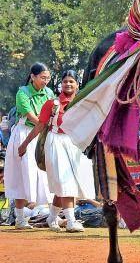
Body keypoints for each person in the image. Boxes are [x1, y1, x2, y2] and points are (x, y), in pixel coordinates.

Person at [18, 70, 95, 232]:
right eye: (65, 81)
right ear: (61, 84)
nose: (68, 84)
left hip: (75, 144)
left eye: (71, 81)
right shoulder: (52, 104)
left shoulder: (83, 103)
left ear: (77, 84)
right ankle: (71, 221)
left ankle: (52, 217)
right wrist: (24, 144)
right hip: (56, 142)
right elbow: (40, 125)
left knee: (65, 184)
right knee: (65, 182)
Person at [4, 63, 54, 229]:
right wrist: (45, 123)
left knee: (44, 175)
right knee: (22, 174)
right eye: (42, 77)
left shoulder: (49, 93)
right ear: (33, 76)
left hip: (42, 134)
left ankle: (50, 215)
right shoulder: (22, 93)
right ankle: (19, 219)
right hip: (24, 134)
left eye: (48, 78)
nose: (45, 81)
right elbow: (32, 118)